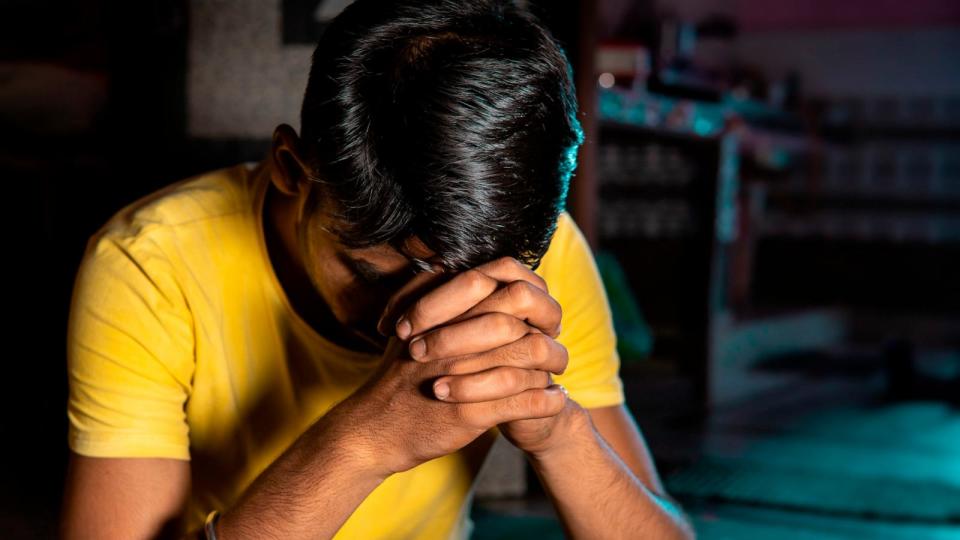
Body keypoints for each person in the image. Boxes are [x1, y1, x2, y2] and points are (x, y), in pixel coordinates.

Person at [60, 1, 694, 538]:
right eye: (369, 274)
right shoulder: (150, 263)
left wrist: (557, 431)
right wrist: (364, 442)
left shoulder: (541, 255)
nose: (412, 324)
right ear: (291, 168)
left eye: (460, 289)